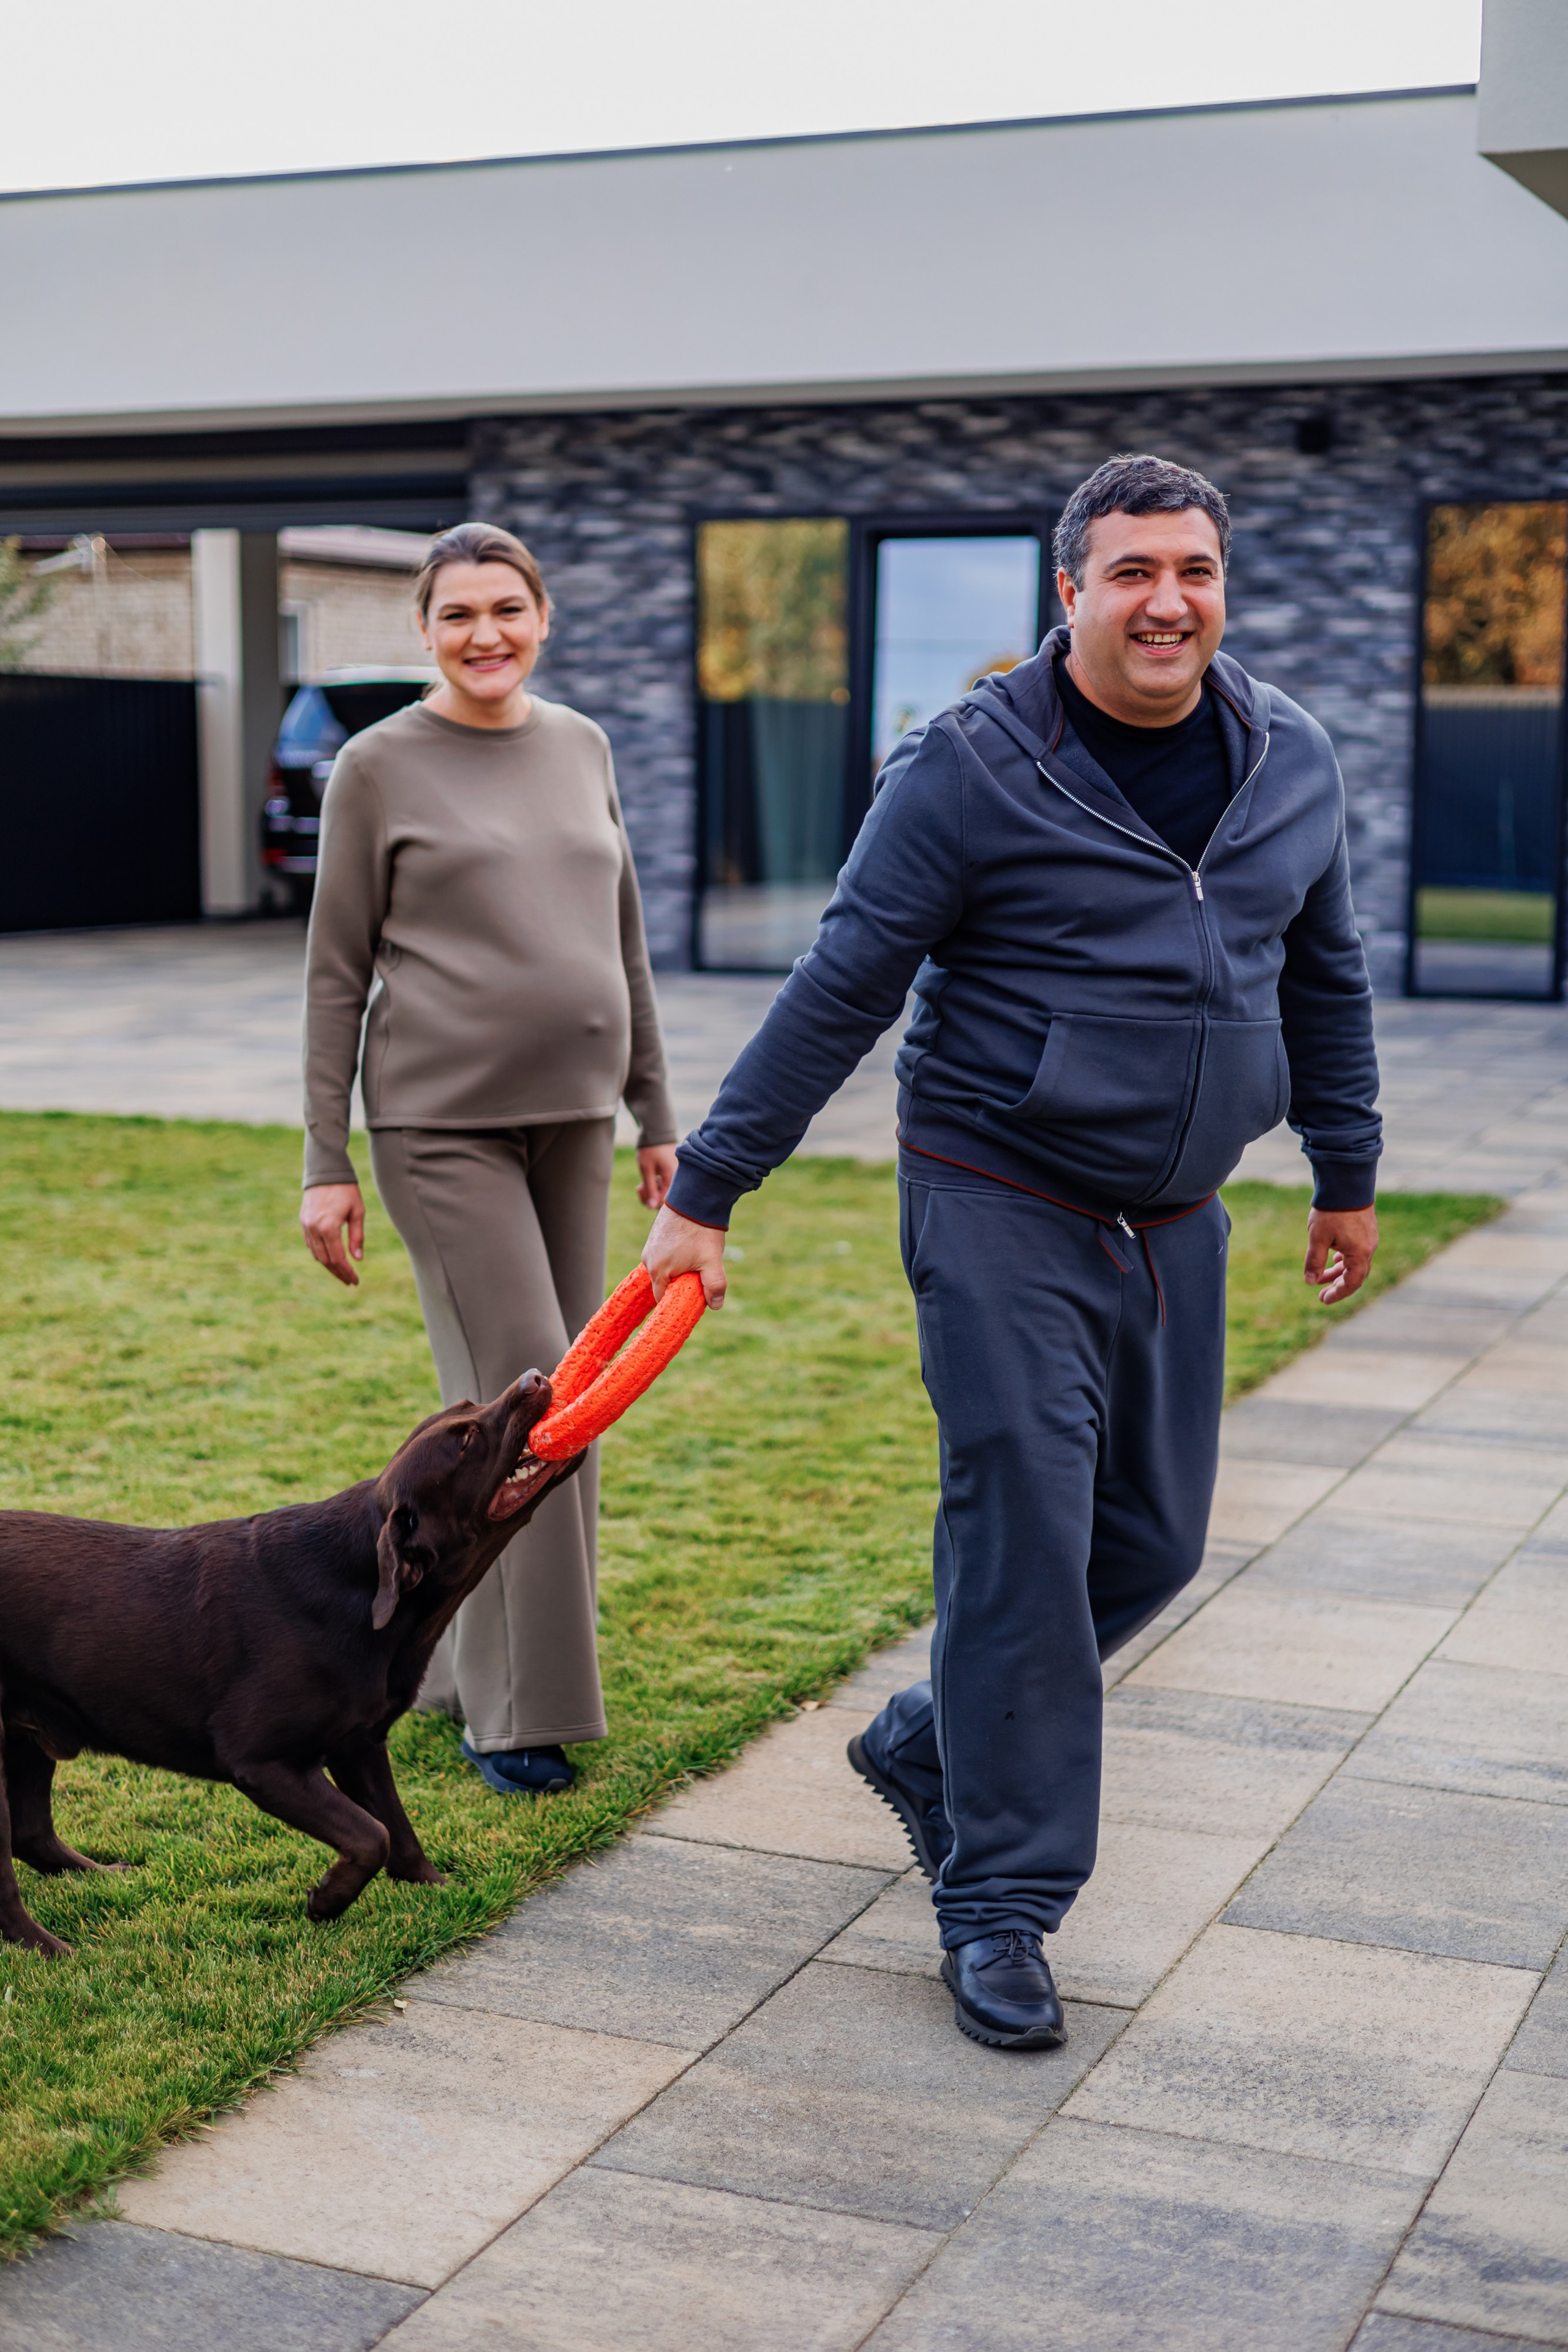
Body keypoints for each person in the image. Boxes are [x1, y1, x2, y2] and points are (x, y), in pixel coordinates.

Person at [644, 454, 1381, 2048]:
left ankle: (932, 1741)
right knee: (1027, 1536)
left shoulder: (1294, 760)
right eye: (1130, 572)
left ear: (1221, 585)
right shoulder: (970, 765)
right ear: (1071, 593)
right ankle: (1000, 1906)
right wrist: (708, 1189)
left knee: (1158, 1545)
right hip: (998, 1189)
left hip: (1178, 1215)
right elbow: (843, 984)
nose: (1165, 601)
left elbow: (1325, 975)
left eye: (1191, 569)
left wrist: (1350, 1168)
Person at [300, 521, 676, 1797]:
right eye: (457, 614)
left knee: (573, 1414)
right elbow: (334, 973)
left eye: (506, 609)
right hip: (438, 1126)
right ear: (424, 630)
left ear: (542, 616)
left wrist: (659, 1115)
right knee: (528, 1405)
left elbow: (621, 944)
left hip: (575, 1118)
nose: (484, 635)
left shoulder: (582, 746)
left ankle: (461, 1665)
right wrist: (323, 1158)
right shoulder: (375, 765)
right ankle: (514, 1716)